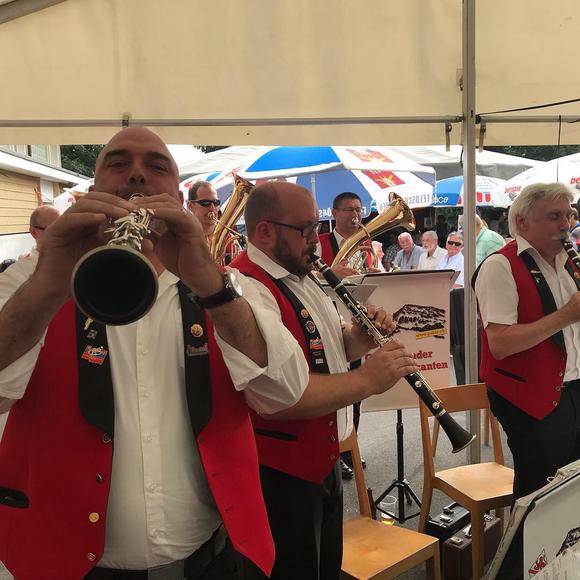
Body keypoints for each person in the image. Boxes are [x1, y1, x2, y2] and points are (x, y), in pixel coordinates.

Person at [0, 127, 314, 579]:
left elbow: (285, 392)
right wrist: (49, 284)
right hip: (65, 564)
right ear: (91, 193)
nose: (137, 175)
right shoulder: (29, 280)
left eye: (156, 166)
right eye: (118, 163)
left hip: (208, 561)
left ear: (178, 199)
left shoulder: (226, 286)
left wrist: (210, 285)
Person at [231, 181, 418, 580]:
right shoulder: (247, 288)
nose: (315, 240)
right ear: (264, 231)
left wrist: (360, 337)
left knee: (325, 567)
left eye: (316, 227)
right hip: (280, 474)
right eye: (305, 229)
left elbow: (327, 349)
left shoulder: (301, 276)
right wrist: (368, 379)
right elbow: (286, 395)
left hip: (323, 460)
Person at [474, 182, 580, 501]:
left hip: (574, 388)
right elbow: (500, 344)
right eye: (554, 216)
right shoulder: (500, 266)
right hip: (531, 397)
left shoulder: (568, 262)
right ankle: (523, 537)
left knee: (574, 490)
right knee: (542, 494)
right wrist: (566, 315)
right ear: (522, 222)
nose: (566, 224)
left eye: (569, 215)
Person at [317, 191, 367, 278]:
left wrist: (374, 274)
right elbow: (304, 275)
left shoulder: (367, 244)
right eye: (350, 210)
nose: (355, 215)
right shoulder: (318, 243)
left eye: (358, 210)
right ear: (334, 213)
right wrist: (328, 274)